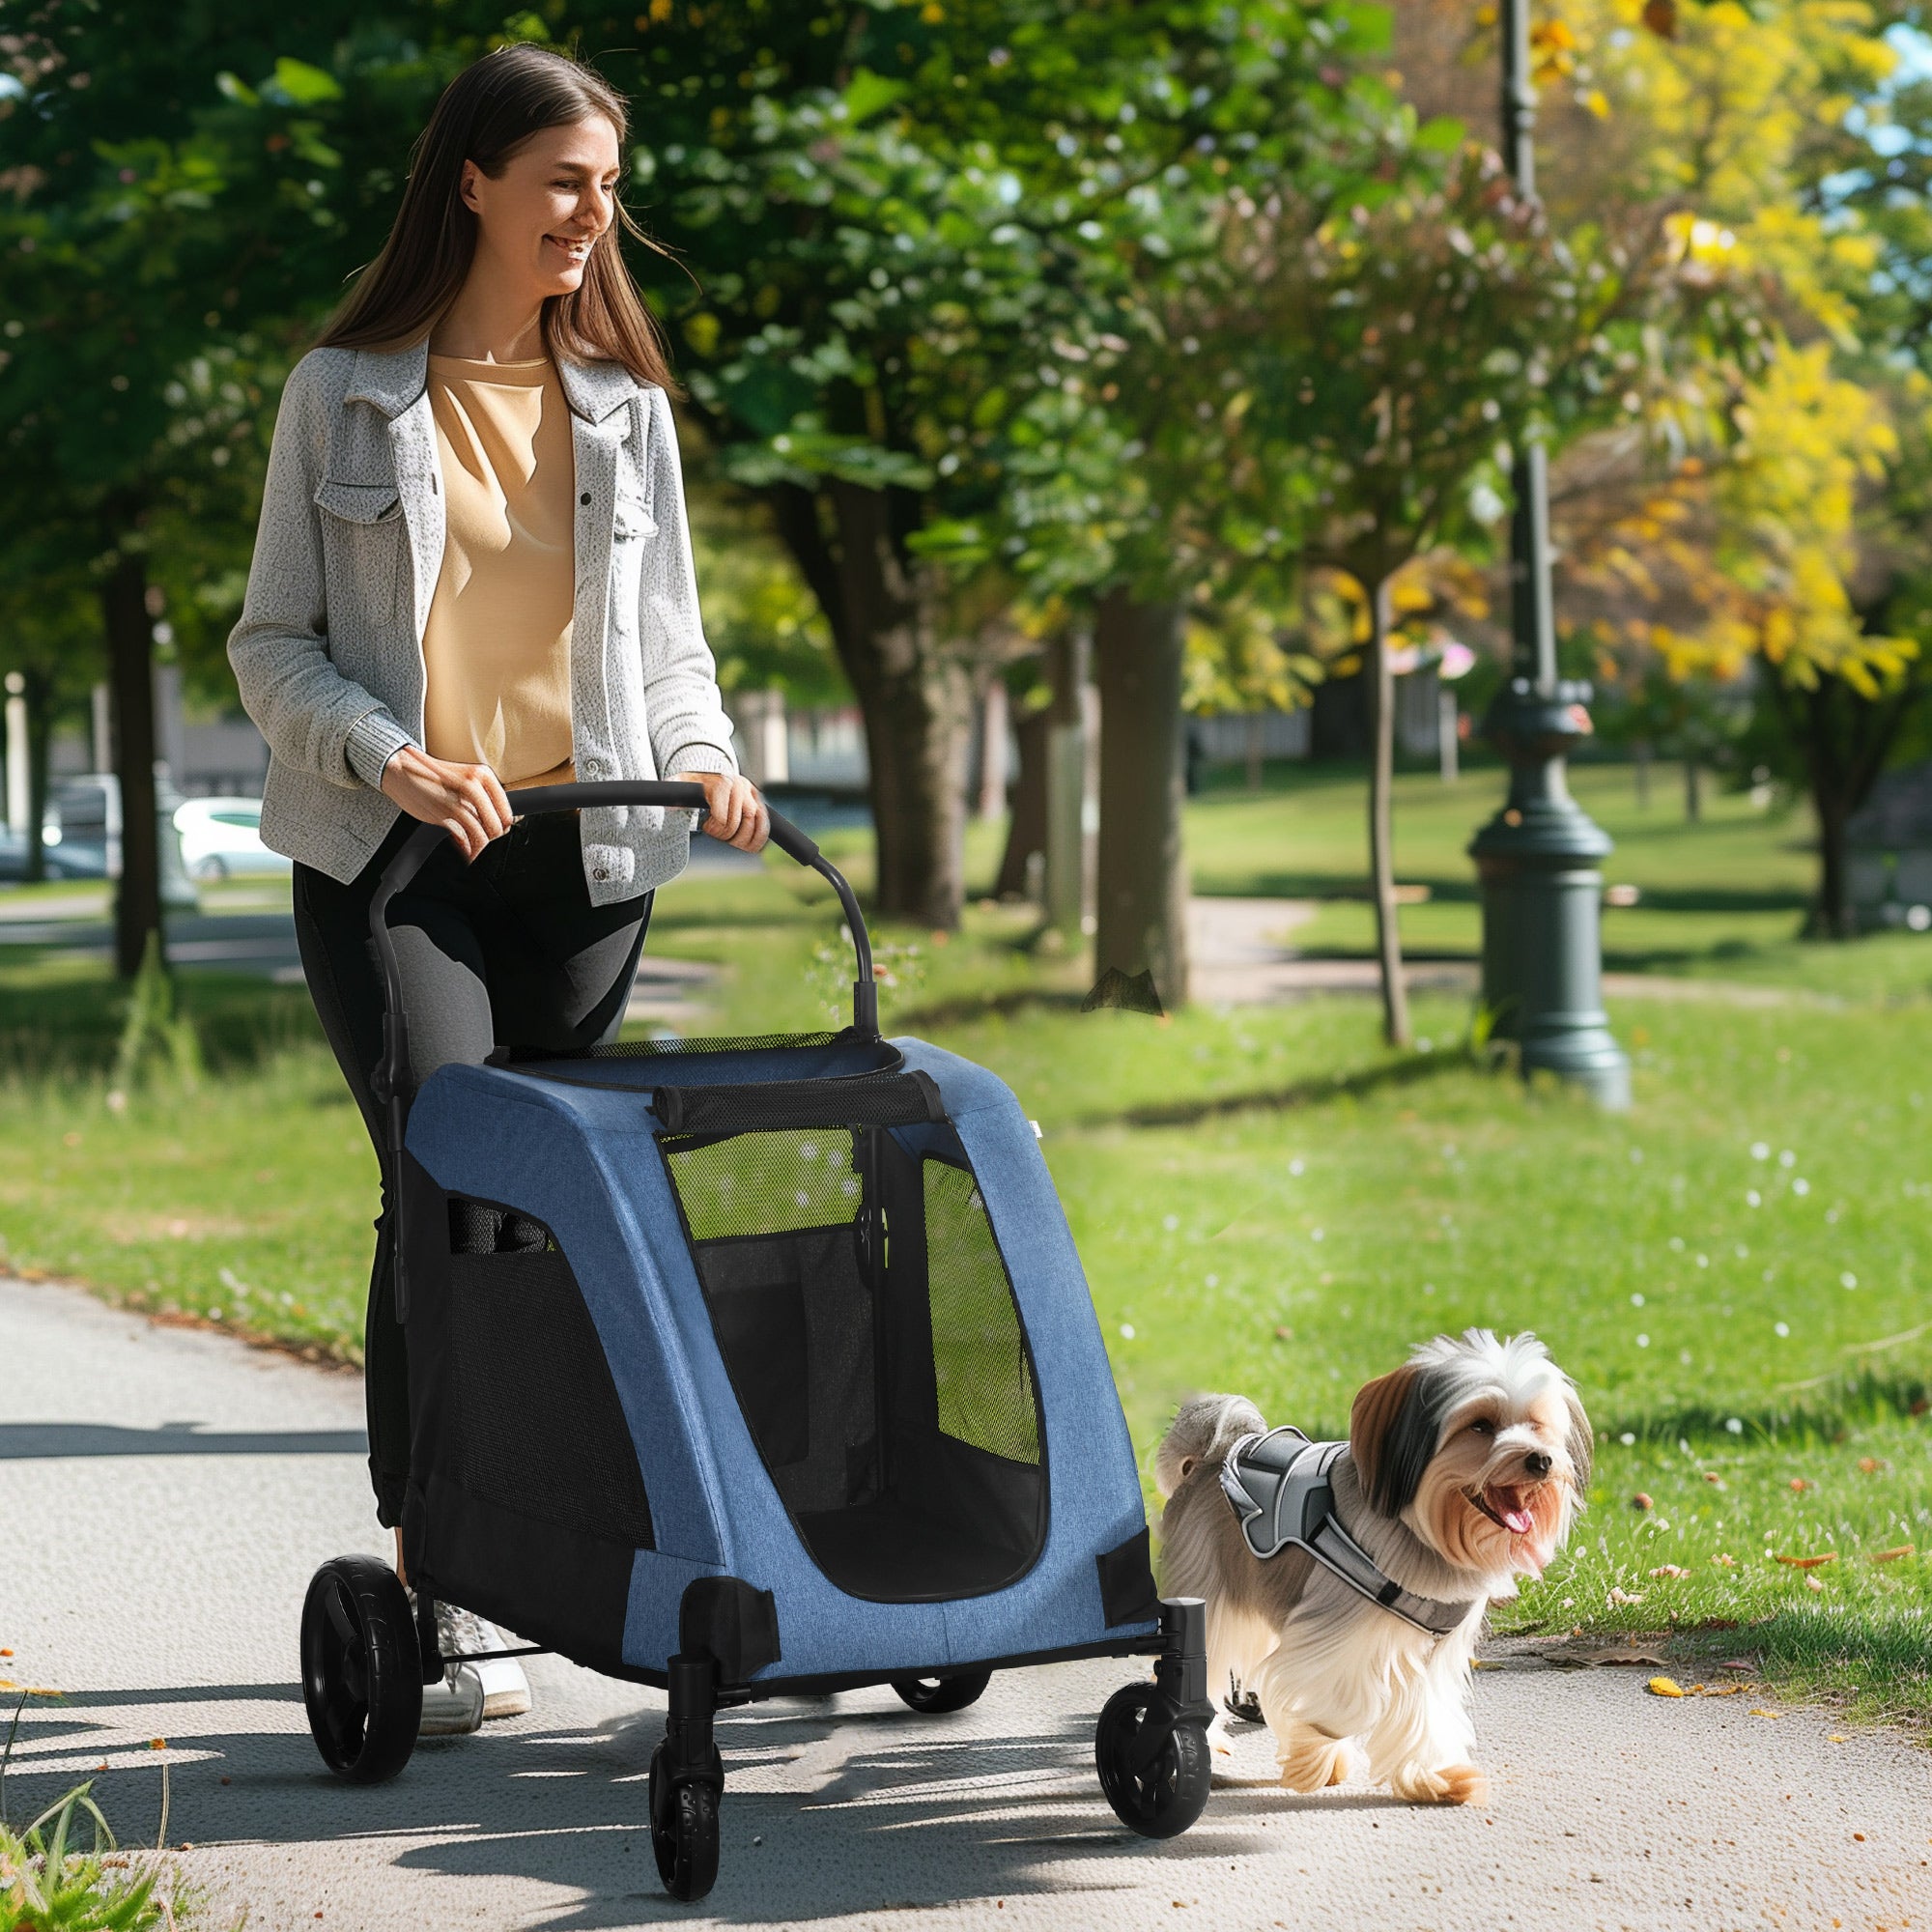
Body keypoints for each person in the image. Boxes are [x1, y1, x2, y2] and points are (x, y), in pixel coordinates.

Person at [228, 43, 768, 1733]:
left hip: (591, 858)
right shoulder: (343, 393)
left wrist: (710, 753)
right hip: (399, 860)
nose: (594, 218)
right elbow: (272, 645)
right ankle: (436, 1580)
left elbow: (666, 643)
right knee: (449, 1188)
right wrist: (386, 751)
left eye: (608, 189)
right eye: (564, 183)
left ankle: (580, 1544)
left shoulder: (626, 411)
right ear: (472, 179)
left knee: (573, 1214)